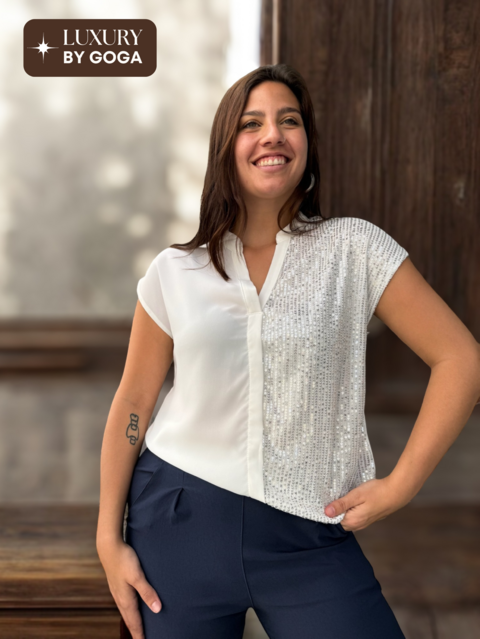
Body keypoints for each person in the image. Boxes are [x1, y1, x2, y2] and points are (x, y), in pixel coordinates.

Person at [96, 64, 480, 639]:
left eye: (289, 121)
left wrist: (402, 484)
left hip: (309, 535)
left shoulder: (353, 249)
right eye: (251, 123)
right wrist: (108, 537)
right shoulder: (176, 270)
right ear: (226, 148)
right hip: (177, 523)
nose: (272, 134)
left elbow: (461, 359)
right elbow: (134, 400)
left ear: (307, 143)